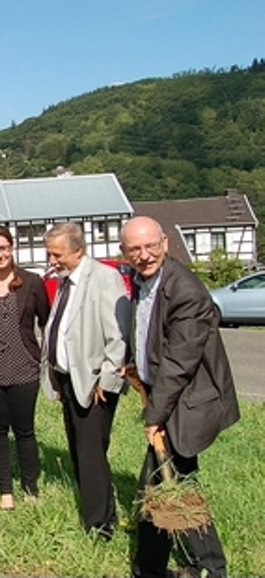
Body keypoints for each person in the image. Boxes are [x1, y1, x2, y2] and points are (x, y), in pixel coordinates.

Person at [120, 216, 239, 578]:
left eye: (151, 246)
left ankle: (205, 567)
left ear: (166, 243)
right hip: (164, 396)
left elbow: (178, 362)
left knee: (168, 488)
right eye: (135, 249)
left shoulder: (185, 289)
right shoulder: (144, 282)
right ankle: (161, 568)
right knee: (166, 487)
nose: (144, 254)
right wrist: (137, 369)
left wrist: (154, 416)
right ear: (124, 252)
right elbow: (149, 335)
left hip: (185, 403)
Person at [42, 222, 128, 540]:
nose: (52, 260)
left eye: (57, 254)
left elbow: (118, 336)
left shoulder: (105, 279)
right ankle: (101, 512)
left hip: (95, 386)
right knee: (79, 450)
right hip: (69, 381)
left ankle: (100, 526)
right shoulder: (67, 280)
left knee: (91, 453)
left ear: (78, 251)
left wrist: (105, 382)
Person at [0, 225, 50, 510]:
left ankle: (30, 486)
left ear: (11, 247)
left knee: (25, 430)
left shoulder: (31, 282)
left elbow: (46, 322)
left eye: (3, 248)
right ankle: (6, 489)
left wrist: (46, 360)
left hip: (24, 366)